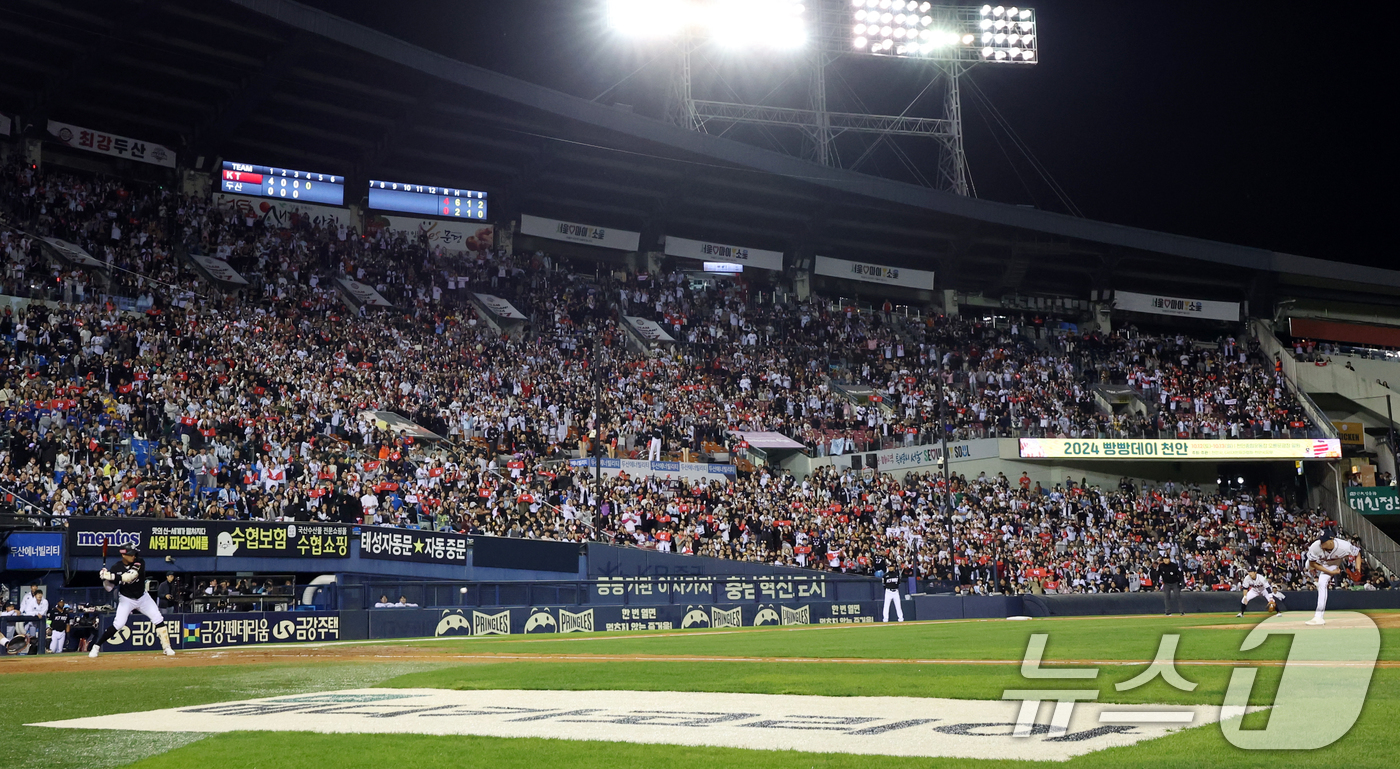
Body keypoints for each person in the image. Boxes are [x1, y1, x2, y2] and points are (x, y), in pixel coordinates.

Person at [89, 546, 175, 657]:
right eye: (131, 554)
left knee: (158, 618)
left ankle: (167, 647)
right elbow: (109, 588)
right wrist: (105, 579)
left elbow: (129, 577)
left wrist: (110, 575)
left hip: (143, 597)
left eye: (134, 554)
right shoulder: (116, 567)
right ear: (123, 555)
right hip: (126, 599)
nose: (133, 556)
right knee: (118, 624)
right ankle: (96, 647)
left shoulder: (139, 562)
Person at [1306, 528, 1362, 626]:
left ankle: (1318, 617)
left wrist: (1358, 570)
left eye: (1324, 541)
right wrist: (1331, 572)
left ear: (1331, 540)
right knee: (1308, 565)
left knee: (1322, 583)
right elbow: (1313, 564)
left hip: (1332, 563)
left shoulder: (1344, 546)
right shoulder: (1315, 546)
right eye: (1321, 540)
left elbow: (1357, 554)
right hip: (1317, 562)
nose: (1321, 543)